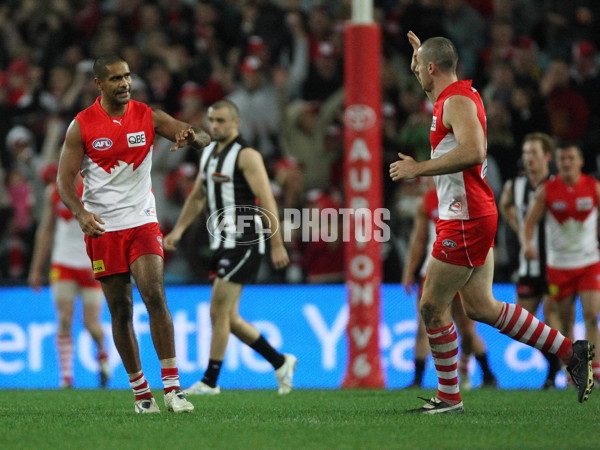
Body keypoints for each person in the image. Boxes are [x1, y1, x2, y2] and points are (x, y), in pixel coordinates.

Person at [389, 31, 594, 414]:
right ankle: (572, 351)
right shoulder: (453, 97)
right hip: (470, 214)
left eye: (419, 67)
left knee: (432, 307)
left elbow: (474, 151)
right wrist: (421, 56)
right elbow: (440, 100)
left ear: (431, 69)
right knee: (481, 307)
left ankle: (449, 397)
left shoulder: (458, 101)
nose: (415, 72)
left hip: (466, 218)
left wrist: (419, 168)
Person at [56, 53, 211, 414]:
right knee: (120, 309)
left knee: (154, 294)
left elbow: (198, 134)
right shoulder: (82, 125)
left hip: (142, 220)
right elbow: (63, 181)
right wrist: (80, 214)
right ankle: (142, 394)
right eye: (115, 79)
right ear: (99, 85)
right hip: (103, 228)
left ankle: (173, 390)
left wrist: (192, 137)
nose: (125, 84)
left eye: (127, 77)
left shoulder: (147, 114)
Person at [163, 99, 297, 395]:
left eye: (222, 121)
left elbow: (267, 199)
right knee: (229, 317)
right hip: (220, 242)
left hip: (245, 240)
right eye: (212, 120)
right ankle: (280, 361)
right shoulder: (208, 152)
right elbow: (198, 195)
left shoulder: (247, 155)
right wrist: (179, 231)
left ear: (236, 123)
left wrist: (276, 244)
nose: (215, 126)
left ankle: (210, 381)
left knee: (217, 309)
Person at [402, 179, 497, 390]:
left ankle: (485, 373)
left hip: (461, 269)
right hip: (433, 270)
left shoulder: (467, 196)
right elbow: (419, 239)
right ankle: (418, 380)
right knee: (424, 326)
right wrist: (410, 271)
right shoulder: (426, 201)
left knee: (467, 330)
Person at [522, 143, 600, 383]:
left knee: (590, 315)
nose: (566, 162)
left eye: (571, 157)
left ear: (580, 161)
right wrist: (527, 244)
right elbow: (530, 221)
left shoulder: (593, 187)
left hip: (588, 263)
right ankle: (574, 370)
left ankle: (595, 370)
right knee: (565, 320)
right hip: (559, 266)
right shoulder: (548, 190)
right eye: (562, 158)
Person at [28, 173, 110, 389]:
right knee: (64, 319)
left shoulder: (95, 190)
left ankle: (103, 354)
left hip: (91, 264)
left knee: (91, 324)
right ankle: (66, 378)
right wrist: (36, 268)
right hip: (63, 262)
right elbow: (46, 230)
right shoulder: (54, 192)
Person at [499, 132, 562, 388]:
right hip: (528, 264)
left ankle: (557, 375)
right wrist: (519, 227)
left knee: (552, 317)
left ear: (547, 156)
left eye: (534, 153)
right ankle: (556, 362)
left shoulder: (557, 184)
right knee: (520, 325)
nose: (529, 159)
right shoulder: (516, 186)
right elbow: (505, 205)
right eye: (525, 153)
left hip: (555, 263)